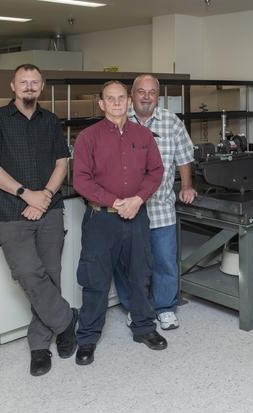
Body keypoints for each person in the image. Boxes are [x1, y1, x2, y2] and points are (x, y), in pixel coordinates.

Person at [0, 63, 77, 376]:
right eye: (24, 82)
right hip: (10, 211)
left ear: (42, 86)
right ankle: (66, 321)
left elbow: (61, 163)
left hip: (49, 209)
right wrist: (26, 194)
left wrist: (44, 196)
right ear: (13, 85)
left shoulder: (50, 121)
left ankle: (38, 345)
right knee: (27, 273)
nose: (29, 87)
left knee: (51, 274)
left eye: (35, 82)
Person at [72, 80, 166, 366]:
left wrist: (137, 199)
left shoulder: (143, 135)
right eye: (110, 98)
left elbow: (156, 171)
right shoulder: (88, 137)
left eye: (121, 97)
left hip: (136, 216)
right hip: (101, 219)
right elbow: (81, 180)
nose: (116, 103)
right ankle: (87, 338)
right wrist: (115, 202)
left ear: (128, 101)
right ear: (101, 103)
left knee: (140, 274)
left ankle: (144, 327)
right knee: (95, 279)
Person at [113, 74, 196, 331]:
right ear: (132, 94)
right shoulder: (119, 119)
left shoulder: (171, 122)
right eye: (141, 91)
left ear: (158, 96)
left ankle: (165, 308)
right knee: (128, 263)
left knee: (164, 261)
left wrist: (187, 185)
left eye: (152, 92)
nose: (146, 96)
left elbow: (184, 156)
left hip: (160, 206)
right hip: (127, 208)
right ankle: (135, 307)